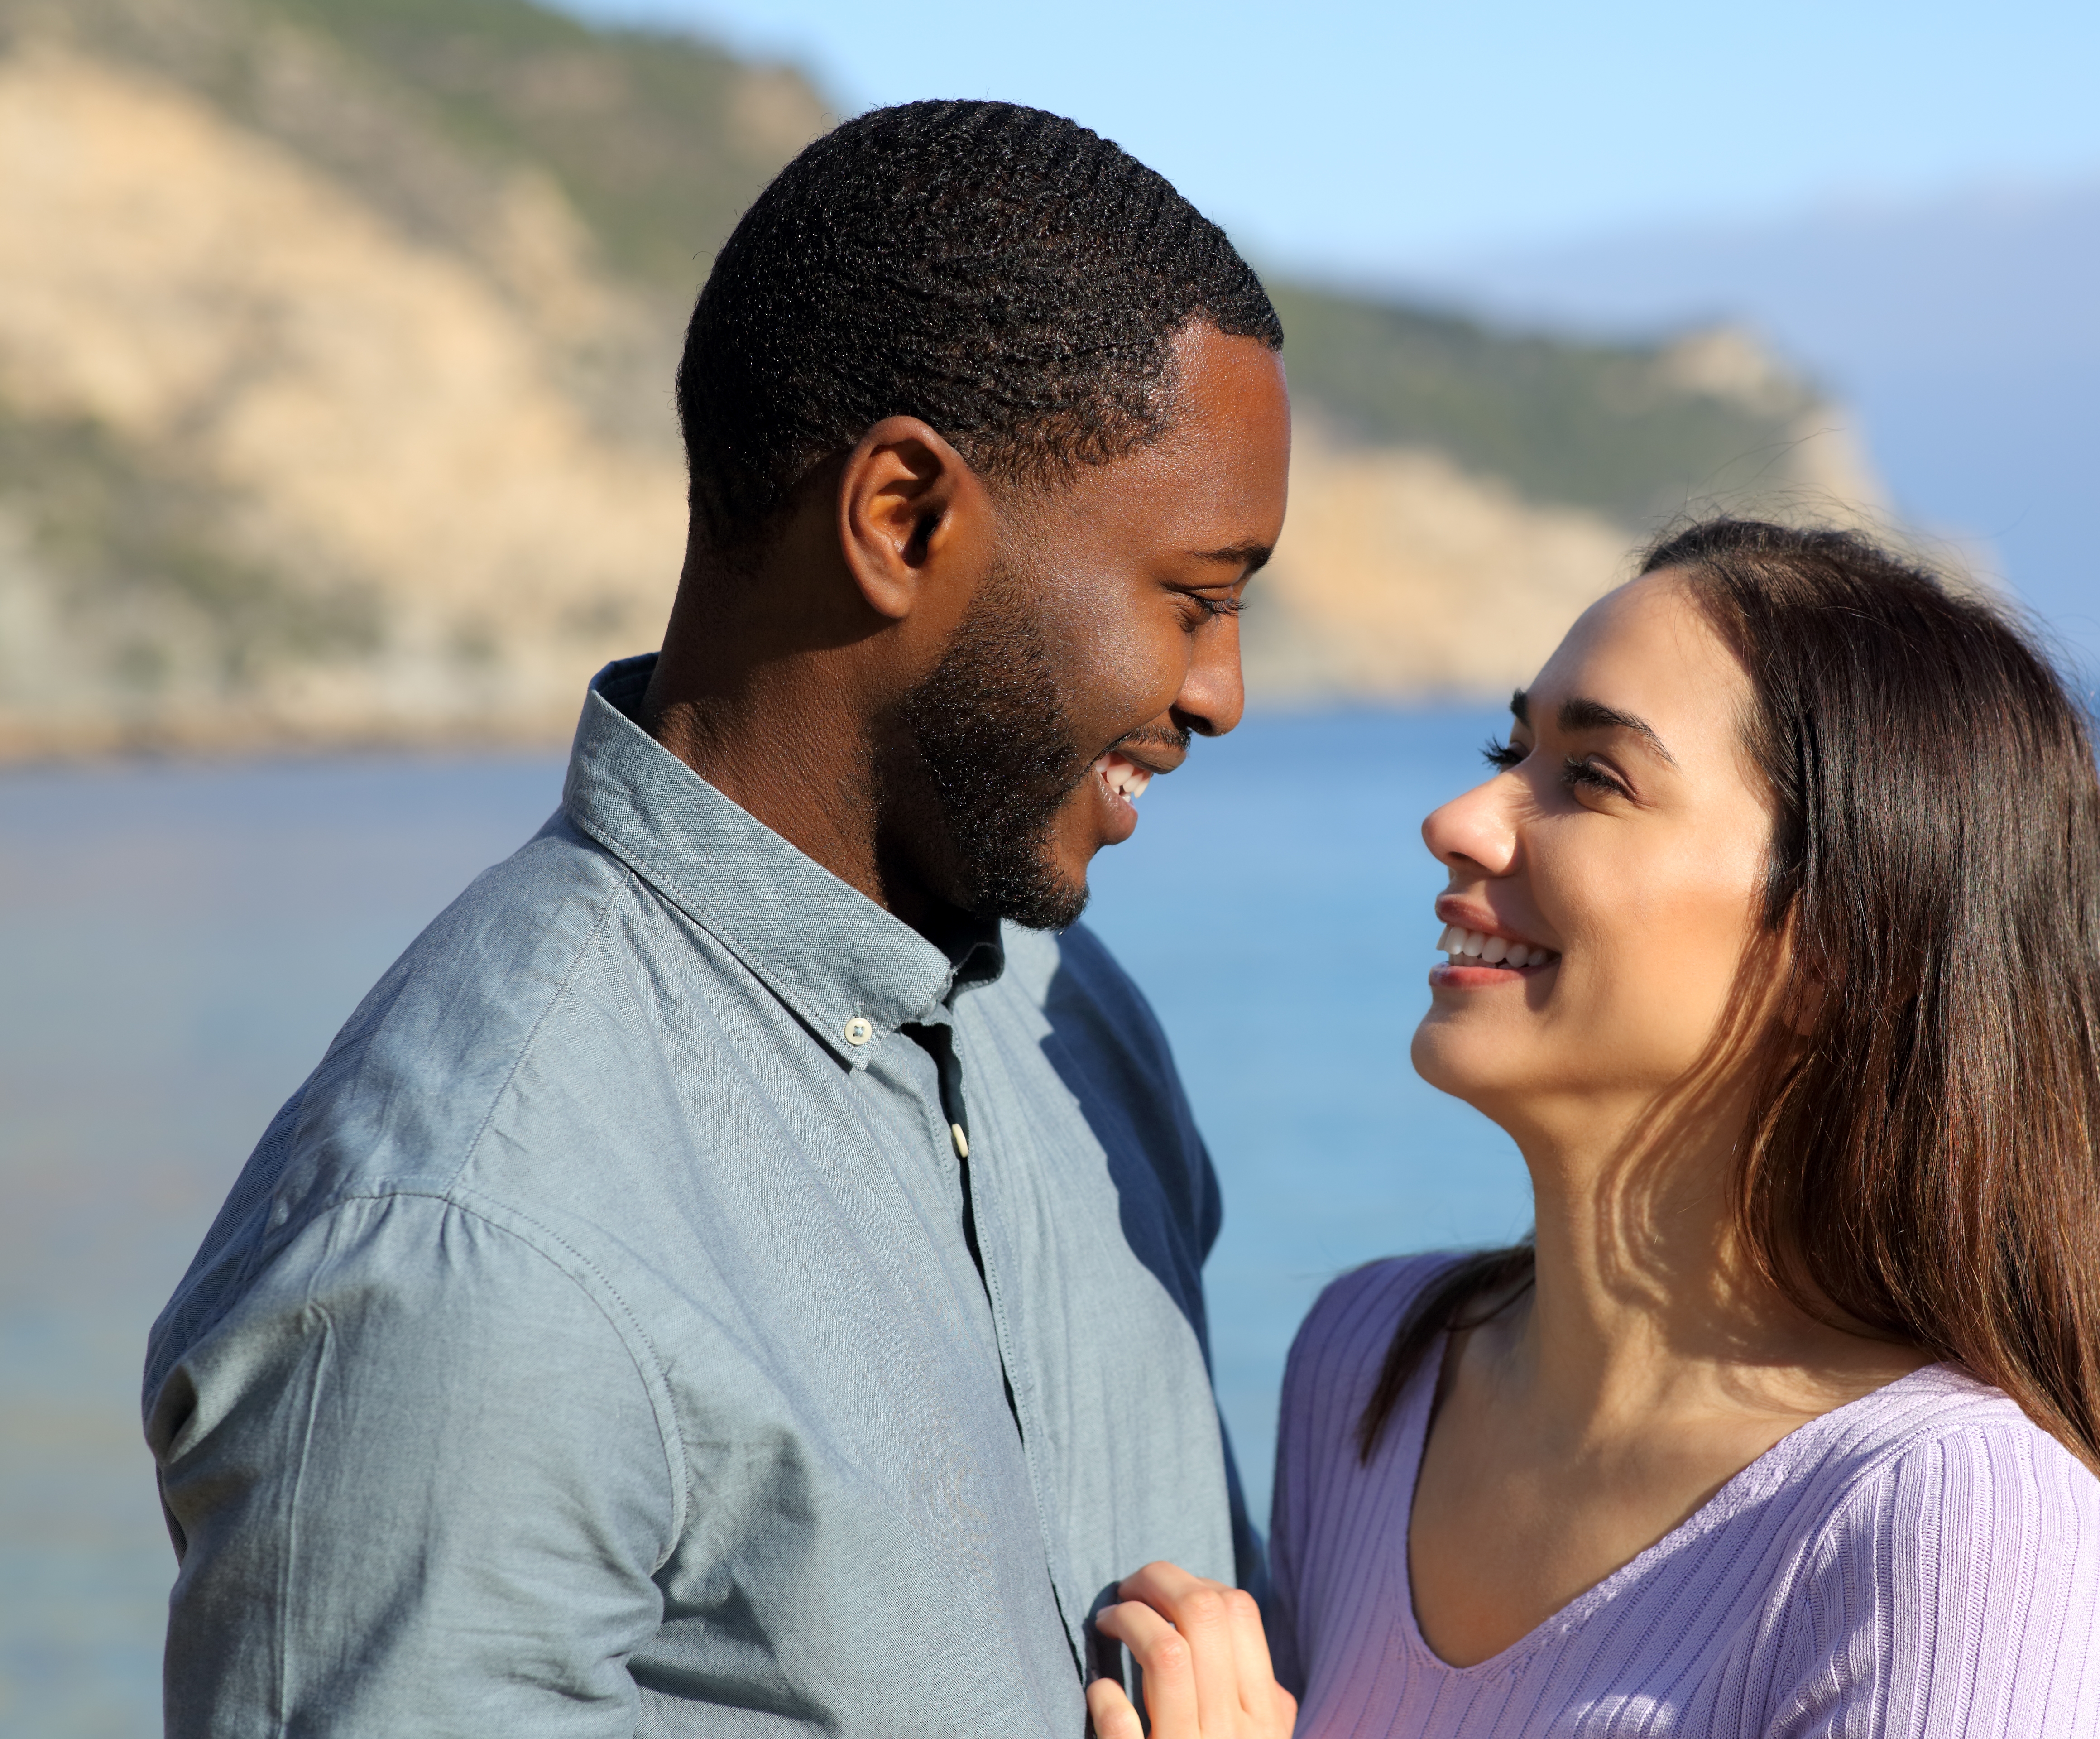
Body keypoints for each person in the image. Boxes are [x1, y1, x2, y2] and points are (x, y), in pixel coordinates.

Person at [144, 101, 1291, 1738]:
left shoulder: (1075, 1027)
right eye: (1192, 598)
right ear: (903, 519)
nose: (1223, 693)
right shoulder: (466, 1239)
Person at [1261, 521, 2100, 1737]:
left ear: (1833, 944)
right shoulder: (1365, 1365)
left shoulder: (1955, 1521)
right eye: (1509, 749)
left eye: (1595, 778)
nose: (1460, 820)